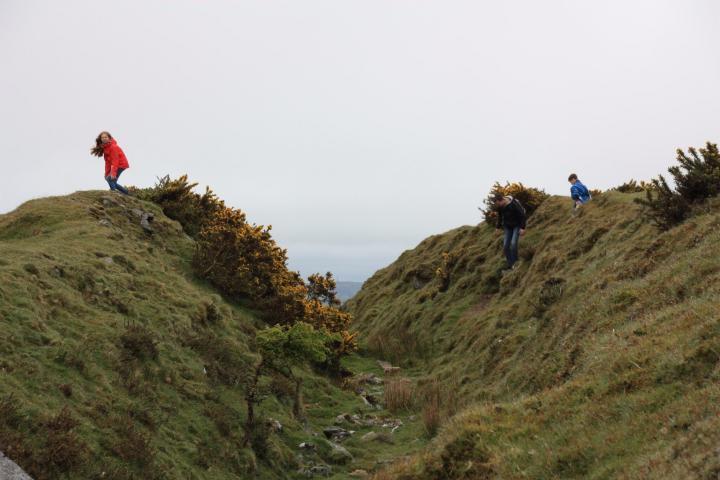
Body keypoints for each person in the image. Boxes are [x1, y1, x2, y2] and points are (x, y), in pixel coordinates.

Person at [494, 194, 527, 269]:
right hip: (507, 226)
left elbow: (522, 215)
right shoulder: (500, 206)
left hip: (517, 225)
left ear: (502, 200)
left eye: (498, 203)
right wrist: (497, 227)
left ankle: (516, 262)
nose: (498, 205)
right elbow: (500, 216)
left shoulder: (514, 204)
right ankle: (511, 264)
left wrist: (523, 228)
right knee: (505, 246)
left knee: (513, 244)